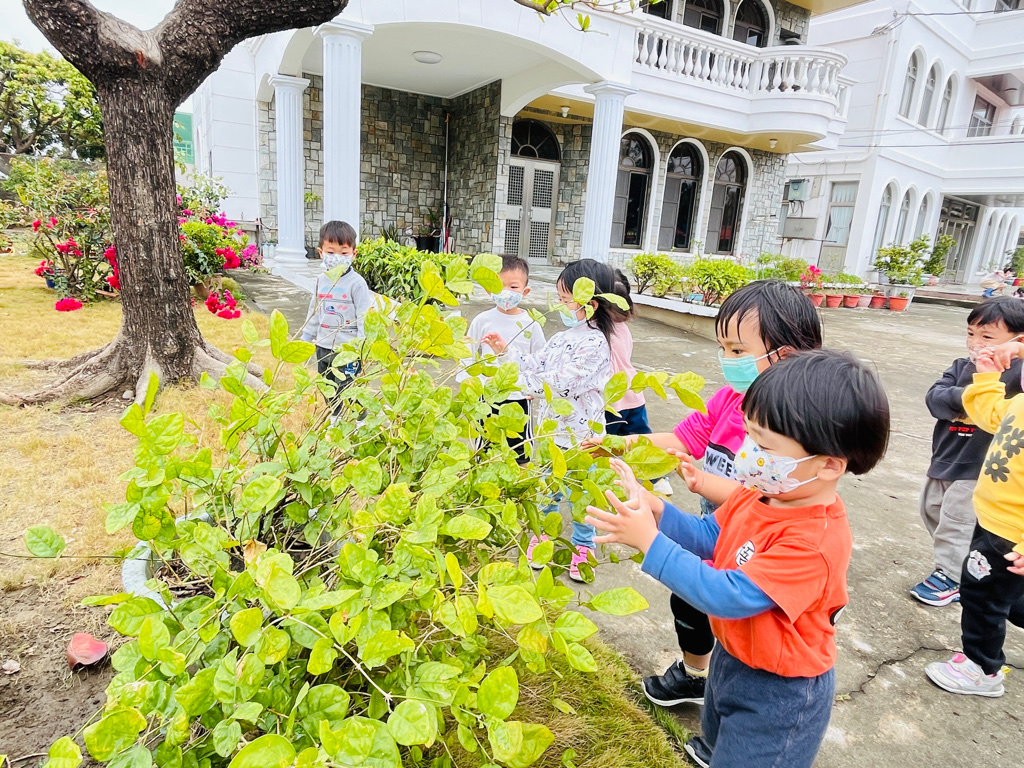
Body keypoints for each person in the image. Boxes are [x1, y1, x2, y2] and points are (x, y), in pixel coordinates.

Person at [585, 350, 891, 768]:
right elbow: (711, 536)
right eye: (748, 436)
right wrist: (655, 509)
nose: (747, 452)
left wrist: (650, 543)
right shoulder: (761, 494)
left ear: (828, 466)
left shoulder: (814, 542)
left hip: (780, 694)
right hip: (733, 659)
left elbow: (727, 595)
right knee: (718, 742)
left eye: (763, 445)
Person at [613, 280, 823, 707]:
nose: (727, 360)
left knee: (730, 612)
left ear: (784, 355)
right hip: (719, 529)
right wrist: (616, 444)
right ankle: (696, 675)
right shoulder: (730, 399)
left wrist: (695, 495)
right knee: (690, 603)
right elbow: (682, 439)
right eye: (723, 348)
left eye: (738, 350)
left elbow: (760, 497)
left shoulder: (798, 428)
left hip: (756, 545)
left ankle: (728, 690)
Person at [481, 259, 627, 581]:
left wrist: (518, 383)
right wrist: (507, 353)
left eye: (565, 300)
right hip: (551, 435)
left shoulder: (596, 344)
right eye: (559, 299)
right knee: (546, 492)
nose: (560, 306)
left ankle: (583, 547)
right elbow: (537, 362)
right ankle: (543, 536)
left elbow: (561, 383)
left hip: (582, 439)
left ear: (591, 304)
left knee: (581, 497)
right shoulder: (563, 337)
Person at [925, 338, 1024, 698]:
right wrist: (987, 376)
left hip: (1011, 536)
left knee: (981, 599)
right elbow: (989, 414)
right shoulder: (1019, 404)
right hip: (991, 518)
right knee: (1008, 598)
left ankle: (983, 669)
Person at [911, 297, 1024, 607]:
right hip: (947, 455)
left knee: (956, 520)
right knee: (932, 509)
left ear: (1017, 341)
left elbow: (996, 411)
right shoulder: (962, 367)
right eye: (971, 333)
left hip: (982, 465)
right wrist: (971, 400)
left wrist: (973, 401)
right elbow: (935, 398)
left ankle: (952, 576)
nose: (975, 343)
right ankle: (969, 561)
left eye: (987, 336)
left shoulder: (1018, 376)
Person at [459, 253, 545, 463]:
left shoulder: (531, 324)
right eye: (500, 285)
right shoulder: (482, 320)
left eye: (513, 287)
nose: (506, 292)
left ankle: (519, 482)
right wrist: (474, 385)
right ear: (489, 289)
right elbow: (466, 355)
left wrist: (535, 387)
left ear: (525, 291)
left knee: (520, 453)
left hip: (519, 398)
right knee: (485, 450)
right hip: (488, 397)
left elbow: (542, 360)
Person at [604, 268, 674, 496]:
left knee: (606, 446)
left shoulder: (598, 331)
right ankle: (658, 477)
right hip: (634, 395)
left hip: (611, 400)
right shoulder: (623, 329)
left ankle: (611, 483)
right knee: (642, 439)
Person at [300, 221, 373, 417]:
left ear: (354, 254)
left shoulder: (357, 283)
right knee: (328, 385)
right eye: (331, 252)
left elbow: (364, 317)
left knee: (350, 387)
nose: (337, 258)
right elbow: (314, 312)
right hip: (323, 347)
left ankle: (359, 421)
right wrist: (305, 339)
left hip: (348, 349)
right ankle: (335, 417)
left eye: (344, 252)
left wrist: (362, 347)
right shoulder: (320, 281)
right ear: (321, 253)